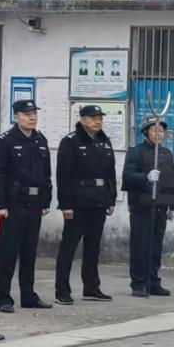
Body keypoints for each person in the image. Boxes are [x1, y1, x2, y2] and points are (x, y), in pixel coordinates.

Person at [0, 99, 53, 313]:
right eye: (27, 114)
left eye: (34, 113)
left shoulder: (40, 140)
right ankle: (3, 297)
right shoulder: (6, 141)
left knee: (29, 252)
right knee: (8, 253)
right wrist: (0, 204)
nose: (32, 117)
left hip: (34, 204)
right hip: (13, 204)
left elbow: (46, 174)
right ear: (16, 117)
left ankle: (28, 295)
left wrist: (46, 201)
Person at [54, 105, 117, 304]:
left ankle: (91, 287)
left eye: (100, 118)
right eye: (93, 117)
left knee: (93, 246)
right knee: (69, 247)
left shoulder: (104, 141)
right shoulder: (71, 141)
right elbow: (63, 175)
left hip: (99, 200)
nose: (98, 121)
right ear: (82, 120)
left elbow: (111, 173)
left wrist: (111, 199)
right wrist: (66, 204)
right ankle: (62, 290)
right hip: (78, 201)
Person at [123, 118, 174, 298]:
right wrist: (145, 177)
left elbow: (171, 180)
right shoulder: (135, 152)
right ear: (146, 132)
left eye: (161, 131)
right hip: (142, 206)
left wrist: (173, 205)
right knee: (140, 245)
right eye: (155, 131)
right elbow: (128, 176)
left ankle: (153, 281)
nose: (159, 134)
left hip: (160, 207)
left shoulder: (166, 153)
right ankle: (139, 283)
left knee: (156, 246)